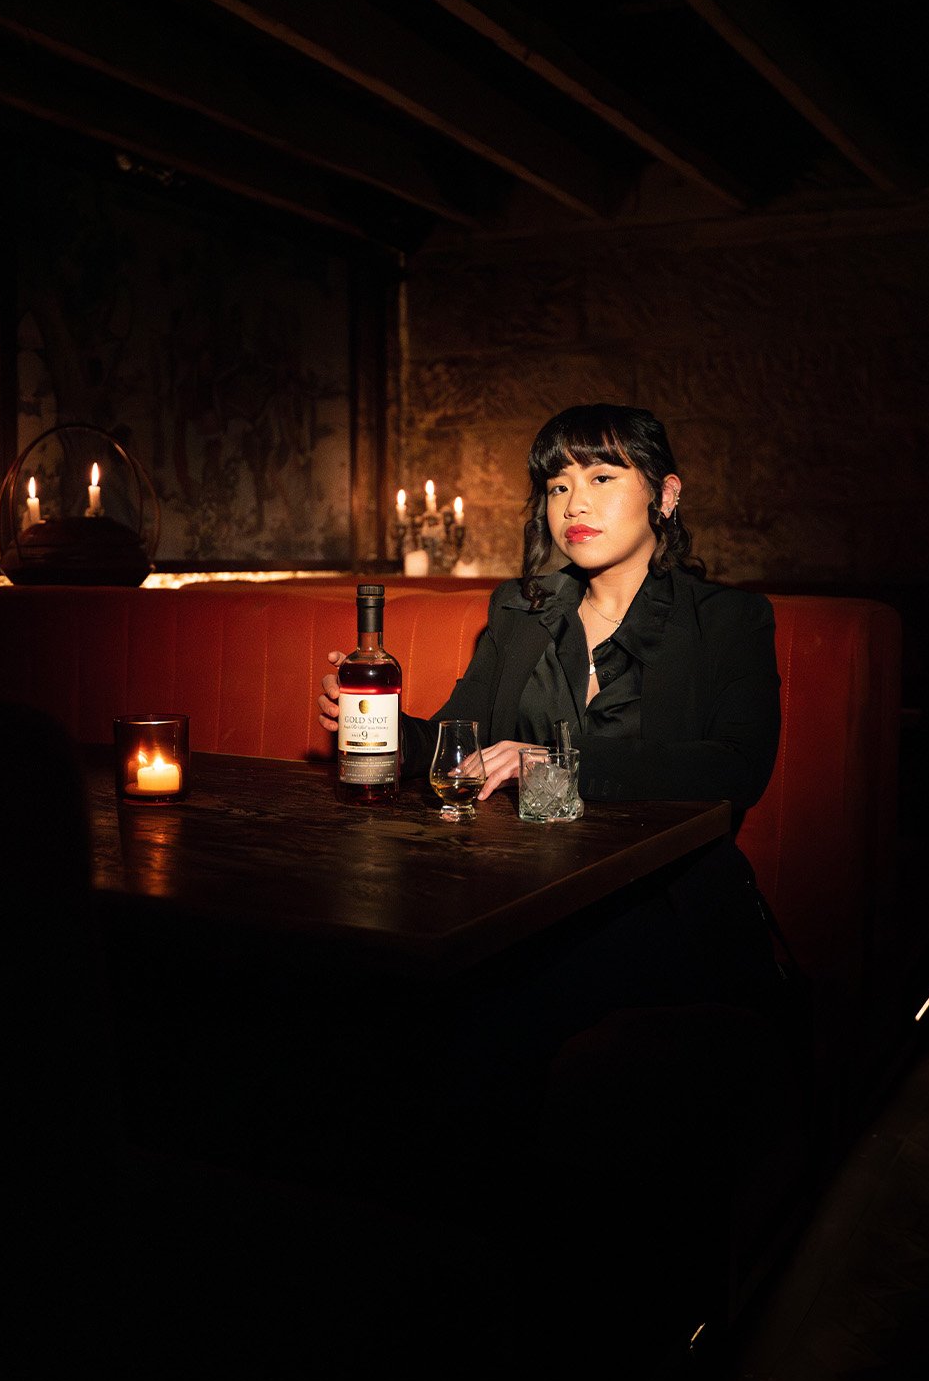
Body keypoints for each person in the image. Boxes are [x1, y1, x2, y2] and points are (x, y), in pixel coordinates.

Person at [316, 403, 789, 1201]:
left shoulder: (730, 620)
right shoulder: (521, 611)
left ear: (665, 494)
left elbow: (736, 767)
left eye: (604, 477)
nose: (576, 502)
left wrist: (560, 762)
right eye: (559, 483)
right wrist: (383, 726)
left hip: (664, 899)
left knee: (490, 1013)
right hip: (518, 889)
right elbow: (463, 749)